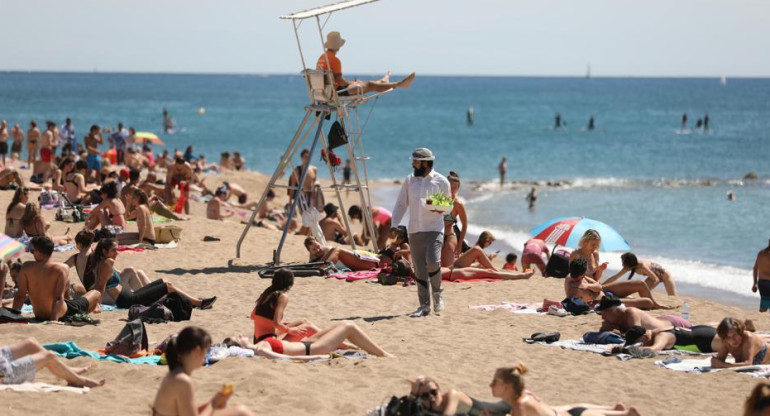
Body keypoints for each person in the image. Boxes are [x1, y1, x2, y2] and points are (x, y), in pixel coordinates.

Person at [391, 148, 450, 317]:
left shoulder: (441, 181)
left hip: (434, 228)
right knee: (419, 270)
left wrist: (441, 209)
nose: (412, 164)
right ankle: (424, 306)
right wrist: (395, 223)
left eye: (415, 161)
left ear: (425, 163)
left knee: (432, 261)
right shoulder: (409, 181)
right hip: (415, 230)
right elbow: (401, 204)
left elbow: (447, 207)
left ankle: (437, 295)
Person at [152, 327, 254, 416]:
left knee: (238, 411)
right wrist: (214, 403)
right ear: (197, 351)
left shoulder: (175, 375)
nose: (207, 354)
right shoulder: (182, 381)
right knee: (241, 412)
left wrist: (213, 402)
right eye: (207, 350)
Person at [88, 238, 216, 309]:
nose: (117, 253)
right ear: (104, 251)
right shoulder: (107, 262)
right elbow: (101, 286)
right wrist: (97, 305)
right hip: (127, 300)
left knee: (163, 282)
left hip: (128, 296)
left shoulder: (103, 262)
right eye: (113, 250)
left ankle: (193, 302)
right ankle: (198, 303)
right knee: (167, 286)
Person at [487, 364, 641, 416]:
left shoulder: (520, 405)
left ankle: (624, 413)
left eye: (495, 382)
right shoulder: (525, 395)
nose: (490, 385)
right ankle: (620, 412)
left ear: (506, 387)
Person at [13, 237, 102, 321]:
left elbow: (20, 295)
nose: (32, 253)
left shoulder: (26, 267)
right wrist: (54, 320)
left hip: (39, 315)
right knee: (96, 293)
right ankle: (78, 314)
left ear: (39, 252)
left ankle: (74, 308)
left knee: (71, 289)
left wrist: (14, 315)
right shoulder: (61, 268)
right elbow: (58, 297)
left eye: (33, 251)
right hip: (62, 314)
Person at [229, 319, 393, 359]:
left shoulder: (259, 344)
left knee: (341, 324)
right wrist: (317, 356)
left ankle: (359, 347)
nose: (240, 335)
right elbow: (286, 359)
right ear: (239, 346)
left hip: (306, 343)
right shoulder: (259, 349)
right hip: (313, 349)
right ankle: (384, 355)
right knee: (348, 326)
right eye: (238, 338)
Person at [316, 31, 415, 97]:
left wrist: (350, 83)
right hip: (336, 93)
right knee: (370, 84)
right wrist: (350, 83)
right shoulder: (334, 59)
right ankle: (398, 84)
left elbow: (335, 80)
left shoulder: (322, 57)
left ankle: (383, 81)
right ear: (338, 46)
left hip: (325, 93)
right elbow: (339, 80)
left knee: (364, 83)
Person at [250, 268, 322, 345]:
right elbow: (276, 324)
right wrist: (289, 330)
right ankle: (331, 340)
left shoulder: (267, 293)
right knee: (308, 328)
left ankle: (327, 337)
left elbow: (253, 316)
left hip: (258, 339)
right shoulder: (282, 296)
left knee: (303, 321)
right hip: (269, 343)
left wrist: (270, 323)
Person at [0, 337, 105, 388]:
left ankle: (66, 370)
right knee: (49, 356)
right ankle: (78, 381)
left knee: (31, 343)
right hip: (4, 373)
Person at [566, 258, 668, 310]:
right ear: (582, 272)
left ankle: (656, 305)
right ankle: (652, 305)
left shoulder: (579, 277)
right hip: (605, 301)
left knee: (640, 283)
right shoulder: (573, 289)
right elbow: (588, 302)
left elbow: (599, 286)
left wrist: (588, 286)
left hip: (605, 291)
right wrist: (594, 287)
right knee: (647, 302)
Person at [408, 375, 511, 416]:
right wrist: (413, 393)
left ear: (439, 390)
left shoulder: (452, 396)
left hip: (502, 409)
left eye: (434, 392)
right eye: (425, 396)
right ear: (420, 399)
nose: (431, 397)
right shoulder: (424, 407)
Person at [598, 298, 691, 334]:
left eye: (605, 313)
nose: (603, 317)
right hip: (662, 320)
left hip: (674, 323)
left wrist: (617, 332)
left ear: (618, 311)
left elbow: (637, 335)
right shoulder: (616, 320)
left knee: (700, 331)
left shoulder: (631, 313)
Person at [603, 253, 677, 296]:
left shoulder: (642, 266)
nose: (622, 264)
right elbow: (615, 277)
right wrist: (603, 285)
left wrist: (648, 291)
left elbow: (656, 279)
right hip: (654, 277)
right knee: (642, 292)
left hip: (666, 276)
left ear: (628, 262)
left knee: (673, 297)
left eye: (623, 262)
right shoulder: (628, 267)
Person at [440, 171, 468, 267]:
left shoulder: (457, 204)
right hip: (435, 236)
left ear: (458, 188)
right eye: (450, 187)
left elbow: (464, 224)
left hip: (449, 237)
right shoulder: (437, 200)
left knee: (447, 268)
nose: (452, 190)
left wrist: (460, 244)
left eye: (455, 188)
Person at [304, 236, 378, 271]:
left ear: (320, 244)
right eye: (314, 249)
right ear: (310, 252)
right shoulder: (315, 257)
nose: (318, 250)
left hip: (366, 262)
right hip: (357, 264)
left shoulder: (328, 250)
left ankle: (322, 268)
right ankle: (321, 267)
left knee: (336, 249)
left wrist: (317, 266)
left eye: (318, 246)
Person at [441, 266, 532, 282]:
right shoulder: (428, 272)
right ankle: (522, 276)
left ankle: (522, 275)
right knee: (490, 273)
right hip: (455, 273)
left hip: (454, 272)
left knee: (489, 272)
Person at [753, 239, 770, 313]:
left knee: (764, 307)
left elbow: (755, 269)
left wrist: (755, 283)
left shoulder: (760, 253)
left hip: (762, 283)